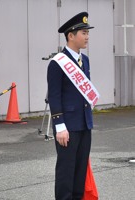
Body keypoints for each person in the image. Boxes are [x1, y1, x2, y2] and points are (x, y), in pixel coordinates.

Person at [47, 12, 98, 200]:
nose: (87, 37)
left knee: (79, 172)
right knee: (66, 173)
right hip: (67, 127)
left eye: (87, 33)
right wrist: (59, 125)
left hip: (84, 124)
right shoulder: (57, 62)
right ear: (71, 35)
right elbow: (54, 95)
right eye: (83, 33)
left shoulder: (85, 60)